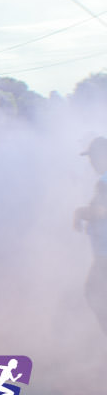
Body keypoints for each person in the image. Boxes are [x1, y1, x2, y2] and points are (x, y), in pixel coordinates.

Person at [73, 136, 107, 336]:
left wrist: (80, 213)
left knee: (93, 292)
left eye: (93, 157)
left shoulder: (104, 182)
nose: (91, 162)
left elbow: (102, 210)